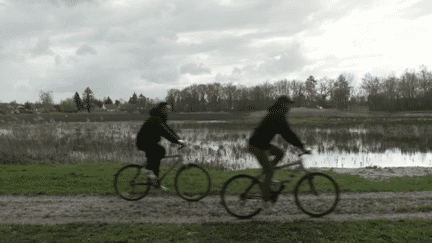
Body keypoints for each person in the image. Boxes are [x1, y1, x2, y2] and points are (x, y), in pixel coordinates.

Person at [248, 95, 311, 210]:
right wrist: (302, 147)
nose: (290, 107)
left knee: (280, 153)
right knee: (270, 172)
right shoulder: (278, 116)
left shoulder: (277, 114)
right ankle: (265, 202)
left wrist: (300, 146)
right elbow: (288, 134)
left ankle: (266, 177)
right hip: (257, 146)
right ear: (283, 105)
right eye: (288, 105)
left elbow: (288, 134)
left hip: (262, 144)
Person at [136, 102, 186, 191]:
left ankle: (155, 183)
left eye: (169, 110)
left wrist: (179, 139)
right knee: (160, 151)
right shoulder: (156, 119)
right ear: (162, 110)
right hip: (144, 142)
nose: (168, 112)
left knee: (158, 155)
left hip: (149, 142)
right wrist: (177, 141)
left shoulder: (160, 119)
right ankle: (146, 170)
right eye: (167, 110)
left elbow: (169, 130)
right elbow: (165, 133)